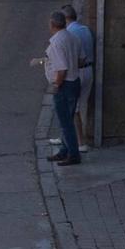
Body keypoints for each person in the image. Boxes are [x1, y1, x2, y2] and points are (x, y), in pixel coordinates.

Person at [45, 11, 82, 166]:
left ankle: (73, 154)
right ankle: (64, 150)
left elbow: (62, 69)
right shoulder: (73, 37)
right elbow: (81, 58)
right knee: (68, 118)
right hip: (75, 81)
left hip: (65, 84)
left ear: (52, 25)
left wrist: (56, 85)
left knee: (65, 122)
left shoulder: (56, 43)